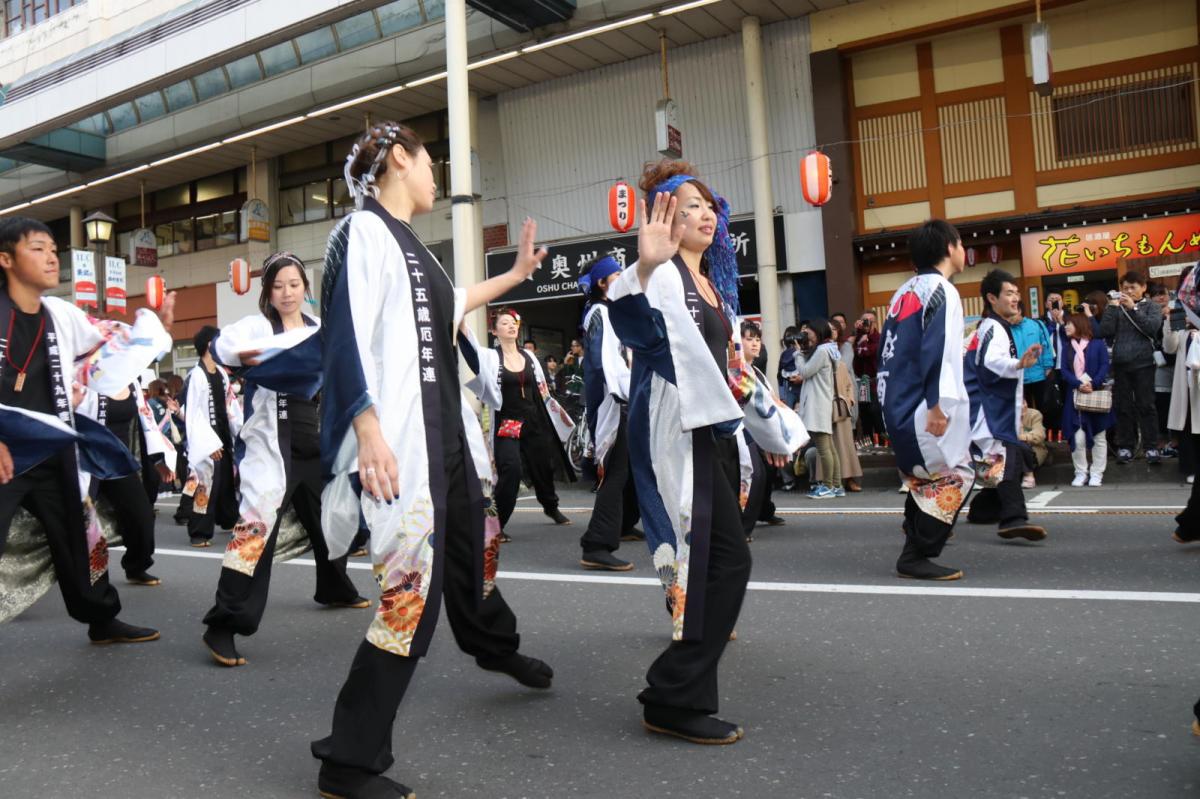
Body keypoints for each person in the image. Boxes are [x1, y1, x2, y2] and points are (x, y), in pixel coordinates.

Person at [311, 121, 555, 799]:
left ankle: (495, 647)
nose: (434, 176)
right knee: (408, 599)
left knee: (473, 561)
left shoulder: (416, 245)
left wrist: (515, 275)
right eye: (428, 162)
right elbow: (344, 332)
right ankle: (347, 762)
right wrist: (366, 427)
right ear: (399, 158)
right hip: (402, 446)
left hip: (449, 440)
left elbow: (450, 307)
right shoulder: (363, 232)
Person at [605, 159, 806, 745]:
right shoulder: (660, 273)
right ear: (664, 216)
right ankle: (674, 694)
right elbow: (632, 325)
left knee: (720, 561)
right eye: (689, 205)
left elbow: (734, 372)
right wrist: (646, 263)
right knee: (718, 560)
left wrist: (773, 430)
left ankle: (675, 693)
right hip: (674, 425)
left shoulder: (714, 287)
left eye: (709, 205)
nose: (706, 214)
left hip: (711, 427)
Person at [0, 215, 173, 643]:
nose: (50, 257)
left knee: (81, 534)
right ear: (6, 259)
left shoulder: (60, 314)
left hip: (52, 447)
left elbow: (108, 344)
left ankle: (101, 618)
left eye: (52, 249)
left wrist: (154, 331)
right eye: (37, 248)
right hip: (5, 450)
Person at [200, 251, 370, 668]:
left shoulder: (318, 328)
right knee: (254, 532)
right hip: (270, 444)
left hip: (315, 440)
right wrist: (251, 357)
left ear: (305, 288)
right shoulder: (256, 326)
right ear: (268, 292)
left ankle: (334, 587)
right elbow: (221, 347)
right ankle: (223, 624)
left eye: (294, 284)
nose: (287, 293)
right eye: (278, 286)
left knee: (330, 519)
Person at [878, 220, 975, 581]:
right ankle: (917, 553)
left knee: (925, 475)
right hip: (922, 405)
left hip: (898, 402)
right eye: (961, 243)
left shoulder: (904, 291)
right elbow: (937, 349)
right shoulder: (942, 290)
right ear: (949, 247)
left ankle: (914, 531)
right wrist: (936, 406)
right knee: (956, 475)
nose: (964, 251)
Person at [963, 269, 1047, 542]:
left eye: (1016, 293)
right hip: (987, 408)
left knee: (985, 464)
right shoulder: (993, 327)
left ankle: (982, 510)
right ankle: (1013, 519)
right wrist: (1018, 363)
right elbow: (991, 362)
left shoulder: (989, 327)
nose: (1016, 299)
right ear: (992, 298)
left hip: (987, 406)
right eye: (1009, 293)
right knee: (1007, 458)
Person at [482, 307, 576, 543]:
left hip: (534, 419)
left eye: (513, 322)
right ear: (495, 331)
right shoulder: (491, 358)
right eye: (504, 323)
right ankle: (496, 524)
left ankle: (551, 507)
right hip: (508, 422)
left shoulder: (529, 356)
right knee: (511, 470)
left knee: (543, 467)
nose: (511, 326)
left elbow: (541, 390)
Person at [76, 376, 176, 587]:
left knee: (142, 516)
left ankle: (136, 566)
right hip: (84, 460)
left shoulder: (131, 381)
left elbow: (147, 423)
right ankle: (82, 579)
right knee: (80, 521)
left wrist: (159, 460)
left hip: (118, 462)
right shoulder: (82, 373)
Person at [574, 255, 639, 569]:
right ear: (601, 283)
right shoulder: (599, 312)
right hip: (610, 401)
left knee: (629, 469)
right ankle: (596, 544)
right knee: (614, 473)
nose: (622, 278)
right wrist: (622, 394)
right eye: (616, 275)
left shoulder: (610, 311)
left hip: (618, 397)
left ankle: (623, 524)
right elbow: (603, 364)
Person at [183, 326, 241, 547]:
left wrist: (241, 430)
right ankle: (198, 531)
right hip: (206, 438)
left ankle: (229, 519)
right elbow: (194, 414)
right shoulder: (196, 375)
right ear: (210, 345)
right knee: (205, 484)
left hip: (223, 434)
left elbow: (230, 406)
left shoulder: (222, 373)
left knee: (226, 481)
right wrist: (207, 443)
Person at [1099, 270, 1163, 464]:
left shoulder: (1152, 306)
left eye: (1132, 287)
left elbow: (1152, 328)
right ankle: (1125, 446)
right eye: (1125, 288)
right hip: (1121, 363)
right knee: (1123, 406)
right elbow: (1105, 331)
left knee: (1146, 405)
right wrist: (1111, 307)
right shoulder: (1116, 307)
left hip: (1144, 362)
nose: (1128, 291)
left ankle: (1151, 447)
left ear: (1143, 288)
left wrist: (1134, 308)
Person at [739, 321, 787, 541]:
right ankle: (741, 527)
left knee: (766, 472)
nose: (755, 344)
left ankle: (764, 511)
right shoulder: (736, 369)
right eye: (749, 339)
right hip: (741, 430)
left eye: (757, 339)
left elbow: (770, 400)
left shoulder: (756, 370)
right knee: (753, 474)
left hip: (758, 430)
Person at [789, 319, 842, 499]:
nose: (806, 335)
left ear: (818, 331)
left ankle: (827, 486)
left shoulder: (821, 351)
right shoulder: (828, 349)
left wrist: (798, 353)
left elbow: (805, 372)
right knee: (829, 447)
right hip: (822, 402)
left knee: (823, 448)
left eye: (808, 331)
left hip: (817, 404)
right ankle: (836, 485)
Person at [1060, 312, 1114, 487]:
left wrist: (1093, 382)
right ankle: (1081, 472)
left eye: (1069, 324)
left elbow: (1104, 365)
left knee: (1099, 436)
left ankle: (1097, 473)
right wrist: (1078, 383)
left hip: (1094, 394)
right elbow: (1064, 371)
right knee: (1077, 438)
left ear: (1079, 324)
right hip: (1074, 396)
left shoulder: (1097, 344)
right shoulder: (1067, 346)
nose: (1066, 327)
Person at [1012, 301, 1055, 411]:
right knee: (1026, 412)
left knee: (1045, 409)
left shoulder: (1037, 324)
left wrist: (1048, 367)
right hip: (1020, 378)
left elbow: (1046, 346)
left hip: (1040, 375)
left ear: (1019, 310)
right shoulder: (1007, 329)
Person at [853, 311, 883, 447]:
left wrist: (863, 340)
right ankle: (867, 447)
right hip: (863, 382)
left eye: (870, 320)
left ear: (875, 323)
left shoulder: (879, 338)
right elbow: (856, 353)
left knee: (877, 416)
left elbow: (866, 352)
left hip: (876, 382)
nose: (867, 323)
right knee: (865, 417)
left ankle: (883, 445)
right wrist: (858, 334)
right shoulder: (858, 338)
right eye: (864, 320)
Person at [1018, 401, 1048, 488]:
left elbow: (1039, 435)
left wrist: (1021, 436)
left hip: (1034, 450)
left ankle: (1029, 475)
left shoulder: (1034, 414)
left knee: (1021, 445)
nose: (1023, 406)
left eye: (1024, 402)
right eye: (1019, 403)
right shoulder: (1006, 414)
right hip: (1011, 450)